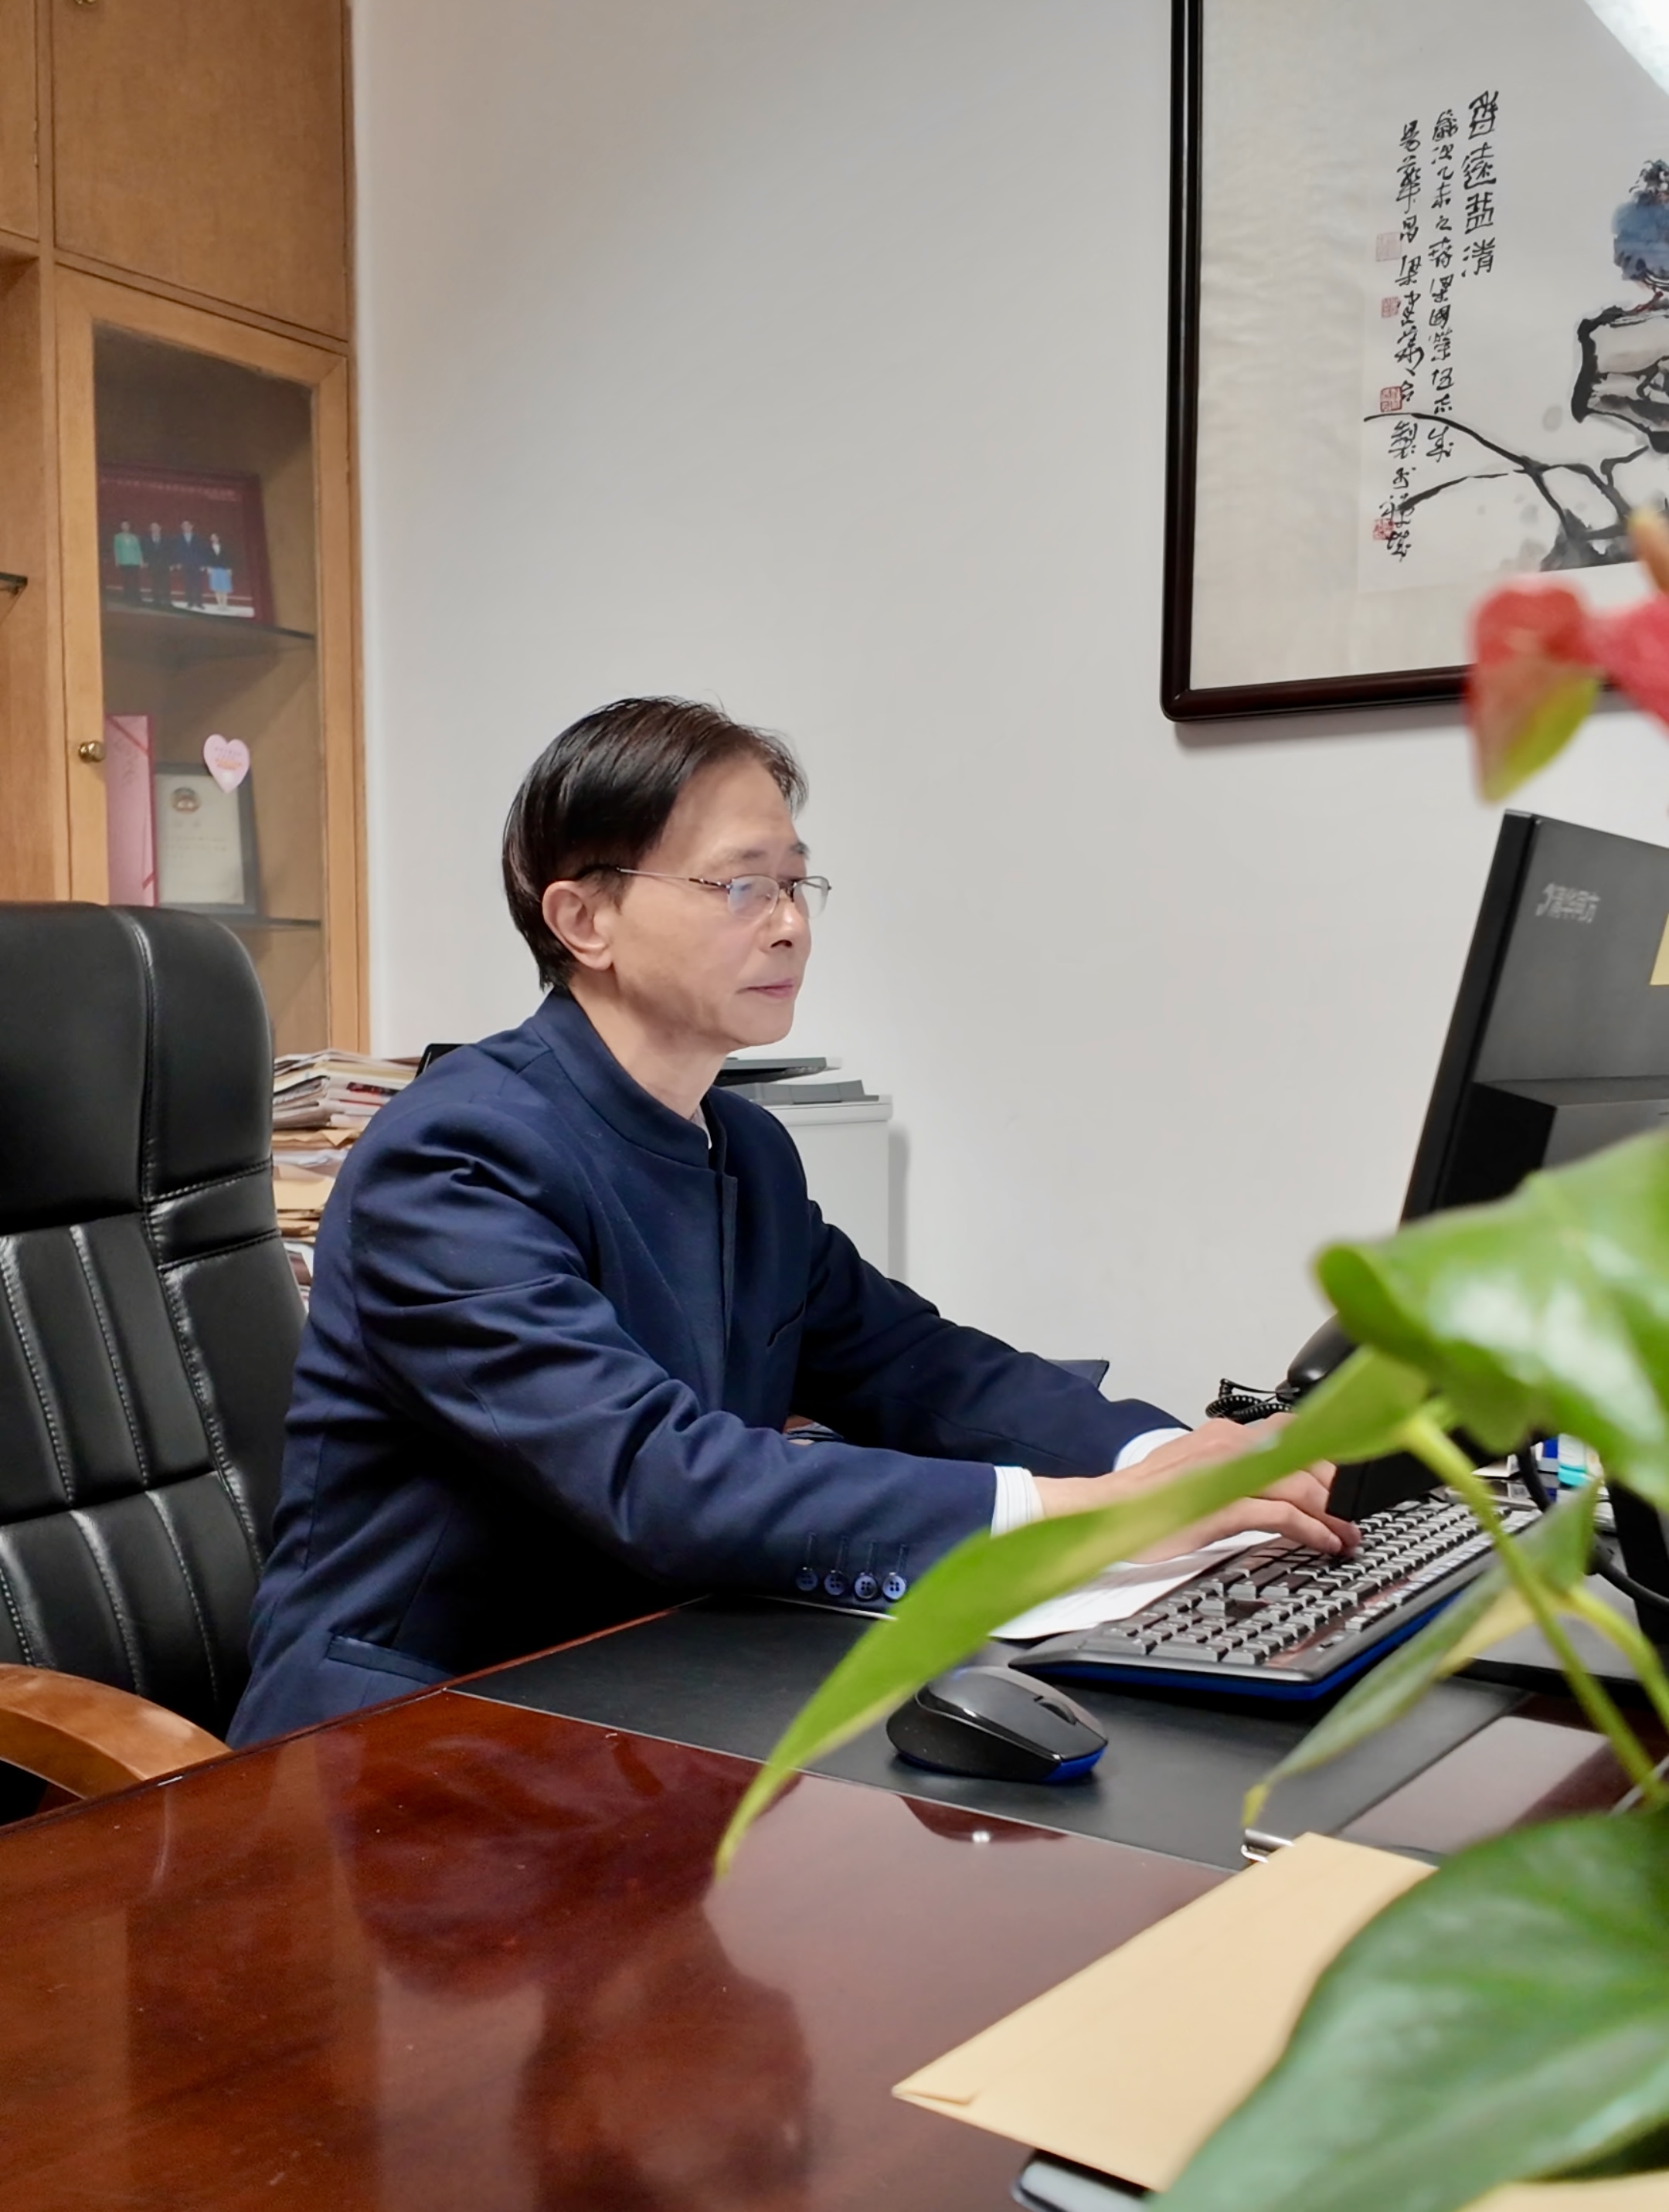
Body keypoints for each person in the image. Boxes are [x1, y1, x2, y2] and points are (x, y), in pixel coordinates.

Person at [229, 698, 1351, 1744]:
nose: (788, 927)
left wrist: (1166, 1458)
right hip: (412, 1732)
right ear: (584, 918)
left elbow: (916, 1363)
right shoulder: (456, 1156)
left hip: (643, 1690)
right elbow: (658, 1476)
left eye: (797, 884)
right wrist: (1093, 1514)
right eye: (739, 886)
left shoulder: (746, 1149)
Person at [111, 520, 143, 603]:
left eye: (126, 525)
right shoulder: (117, 537)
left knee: (135, 580)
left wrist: (140, 560)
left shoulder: (134, 537)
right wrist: (117, 560)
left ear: (129, 526)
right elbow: (116, 549)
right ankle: (127, 596)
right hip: (124, 561)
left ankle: (136, 597)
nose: (125, 527)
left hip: (134, 561)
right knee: (126, 580)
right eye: (123, 526)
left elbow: (138, 549)